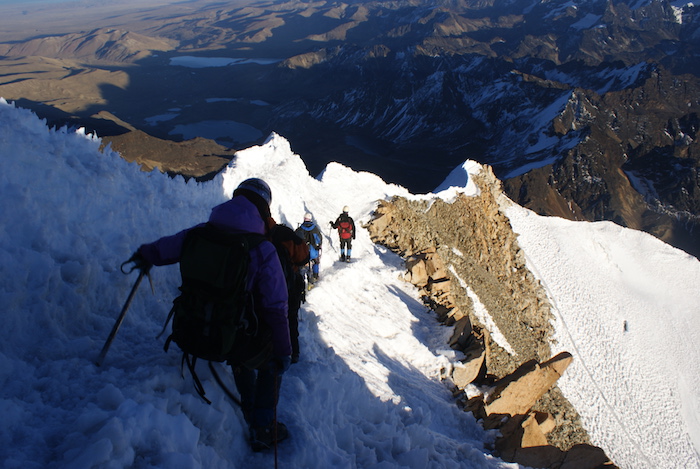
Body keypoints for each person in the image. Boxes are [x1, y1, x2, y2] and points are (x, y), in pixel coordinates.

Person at [131, 178, 292, 452]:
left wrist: (144, 255)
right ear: (264, 209)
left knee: (243, 340)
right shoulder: (262, 250)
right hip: (232, 339)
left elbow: (164, 249)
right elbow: (276, 307)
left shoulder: (201, 233)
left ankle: (247, 401)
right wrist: (284, 351)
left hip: (192, 330)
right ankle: (263, 426)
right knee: (269, 361)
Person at [268, 221, 309, 364]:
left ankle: (268, 350)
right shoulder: (287, 235)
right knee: (290, 319)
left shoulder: (258, 231)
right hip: (289, 285)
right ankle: (293, 351)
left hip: (264, 284)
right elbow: (303, 257)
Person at [295, 212, 323, 283]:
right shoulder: (315, 229)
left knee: (302, 264)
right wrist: (318, 245)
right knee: (316, 262)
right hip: (313, 251)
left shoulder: (300, 229)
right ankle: (315, 276)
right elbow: (319, 239)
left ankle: (301, 280)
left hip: (303, 251)